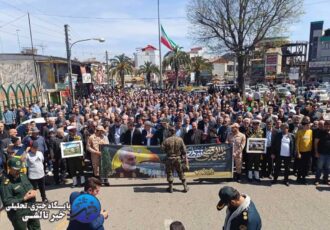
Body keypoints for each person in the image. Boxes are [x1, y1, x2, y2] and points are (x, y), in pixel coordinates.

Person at [0, 157, 41, 230]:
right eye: (15, 169)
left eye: (19, 168)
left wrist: (34, 191)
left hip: (31, 208)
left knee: (36, 228)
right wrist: (24, 198)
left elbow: (30, 187)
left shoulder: (23, 176)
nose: (18, 171)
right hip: (18, 213)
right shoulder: (5, 184)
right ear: (9, 168)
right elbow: (7, 202)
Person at [161, 126, 189, 193]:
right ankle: (185, 187)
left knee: (169, 173)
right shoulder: (180, 139)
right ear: (175, 132)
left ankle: (171, 188)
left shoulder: (166, 140)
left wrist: (168, 151)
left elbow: (162, 149)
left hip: (169, 158)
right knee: (180, 172)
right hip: (178, 158)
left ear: (170, 132)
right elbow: (184, 150)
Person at [296, 116, 313, 184]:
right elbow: (297, 144)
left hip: (308, 152)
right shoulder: (300, 132)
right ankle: (299, 177)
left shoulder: (311, 131)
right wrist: (298, 152)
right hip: (301, 152)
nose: (309, 126)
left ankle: (303, 178)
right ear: (304, 125)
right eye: (307, 125)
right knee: (300, 166)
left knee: (306, 166)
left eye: (309, 125)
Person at [314, 120, 330, 185]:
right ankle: (317, 179)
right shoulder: (320, 132)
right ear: (324, 126)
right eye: (326, 126)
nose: (327, 127)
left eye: (329, 126)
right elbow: (315, 143)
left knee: (327, 168)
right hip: (321, 153)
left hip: (329, 154)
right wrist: (316, 152)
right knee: (319, 168)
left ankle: (325, 179)